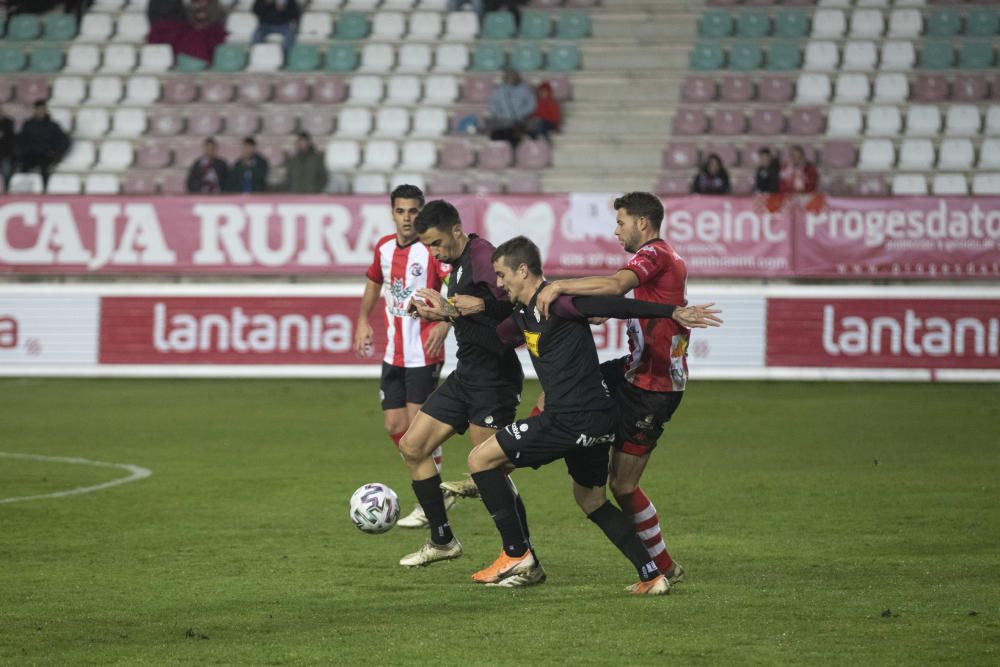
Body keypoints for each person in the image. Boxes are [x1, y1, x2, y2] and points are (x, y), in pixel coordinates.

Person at [422, 236, 719, 593]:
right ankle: (652, 574)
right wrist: (449, 315)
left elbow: (616, 305)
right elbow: (493, 342)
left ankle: (518, 555)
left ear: (523, 270)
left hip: (568, 419)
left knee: (481, 460)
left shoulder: (559, 303)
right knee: (591, 499)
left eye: (502, 275)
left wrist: (672, 312)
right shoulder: (521, 314)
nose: (498, 283)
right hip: (597, 419)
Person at [534, 192, 706, 590]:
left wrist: (559, 286)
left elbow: (615, 284)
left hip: (654, 386)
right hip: (634, 372)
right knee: (562, 393)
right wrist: (596, 310)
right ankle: (509, 454)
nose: (616, 231)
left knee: (623, 486)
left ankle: (663, 567)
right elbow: (628, 299)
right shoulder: (660, 261)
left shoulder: (656, 254)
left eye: (621, 222)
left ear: (643, 224)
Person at [395, 200, 525, 569]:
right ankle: (442, 539)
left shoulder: (483, 257)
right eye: (428, 247)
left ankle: (520, 554)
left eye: (437, 244)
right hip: (467, 375)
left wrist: (455, 312)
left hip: (494, 379)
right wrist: (440, 313)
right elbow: (471, 311)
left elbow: (511, 319)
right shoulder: (459, 262)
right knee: (413, 447)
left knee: (487, 472)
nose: (434, 253)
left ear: (456, 230)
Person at [353, 185, 467, 529]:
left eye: (413, 212)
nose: (407, 218)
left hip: (423, 353)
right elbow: (375, 282)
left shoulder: (431, 250)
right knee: (394, 426)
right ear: (392, 213)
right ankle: (434, 490)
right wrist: (362, 321)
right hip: (394, 352)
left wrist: (444, 324)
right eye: (401, 211)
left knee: (420, 429)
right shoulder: (384, 247)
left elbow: (454, 286)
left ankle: (429, 498)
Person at [16, 100, 70, 189]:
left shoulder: (53, 125)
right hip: (30, 155)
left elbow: (64, 141)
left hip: (46, 155)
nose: (40, 111)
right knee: (23, 169)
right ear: (35, 110)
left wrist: (56, 153)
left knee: (45, 169)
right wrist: (24, 152)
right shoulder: (28, 124)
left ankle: (44, 191)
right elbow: (22, 140)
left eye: (42, 109)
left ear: (45, 110)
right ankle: (24, 192)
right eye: (38, 109)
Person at [487, 69, 536, 148]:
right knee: (496, 134)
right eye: (508, 77)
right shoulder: (498, 91)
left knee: (520, 135)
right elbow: (492, 105)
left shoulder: (525, 90)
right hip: (502, 121)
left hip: (519, 121)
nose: (510, 78)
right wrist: (500, 114)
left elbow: (531, 105)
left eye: (512, 76)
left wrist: (522, 113)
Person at [0, 107, 14, 191]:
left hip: (5, 154)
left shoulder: (8, 123)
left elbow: (10, 141)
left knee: (7, 172)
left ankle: (6, 190)